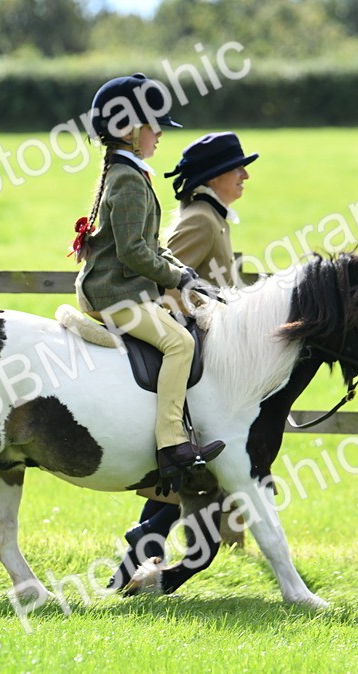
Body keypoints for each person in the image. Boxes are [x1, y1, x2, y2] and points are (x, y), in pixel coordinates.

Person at [110, 131, 258, 587]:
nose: (245, 176)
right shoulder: (201, 220)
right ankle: (149, 538)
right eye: (238, 170)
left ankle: (142, 549)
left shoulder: (215, 217)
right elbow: (165, 278)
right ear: (214, 178)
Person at [72, 74, 225, 481]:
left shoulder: (130, 173)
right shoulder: (127, 180)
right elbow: (133, 252)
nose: (159, 134)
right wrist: (176, 278)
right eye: (153, 125)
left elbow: (150, 243)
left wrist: (183, 271)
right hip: (114, 295)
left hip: (124, 289)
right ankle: (171, 441)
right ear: (127, 129)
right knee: (179, 343)